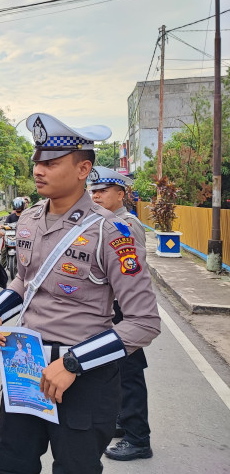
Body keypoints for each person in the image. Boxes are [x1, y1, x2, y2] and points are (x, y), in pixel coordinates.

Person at [0, 113, 161, 474]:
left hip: (84, 374)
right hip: (26, 366)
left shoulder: (112, 231)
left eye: (51, 162)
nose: (38, 169)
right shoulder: (29, 220)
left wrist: (73, 363)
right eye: (37, 161)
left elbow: (144, 323)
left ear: (83, 170)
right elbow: (26, 282)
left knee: (76, 467)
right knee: (12, 463)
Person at [89, 166, 153, 461]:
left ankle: (138, 438)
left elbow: (132, 273)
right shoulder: (104, 222)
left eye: (103, 191)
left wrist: (128, 315)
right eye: (94, 191)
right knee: (116, 371)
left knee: (130, 373)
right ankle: (124, 420)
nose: (96, 195)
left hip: (125, 310)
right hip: (111, 308)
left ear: (121, 194)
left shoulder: (126, 224)